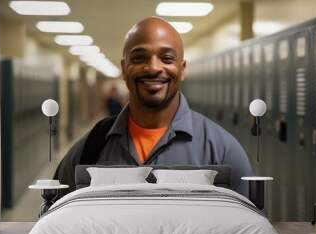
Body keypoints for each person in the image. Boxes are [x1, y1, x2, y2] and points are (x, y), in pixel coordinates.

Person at [54, 17, 253, 198]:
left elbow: (249, 231)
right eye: (140, 58)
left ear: (182, 70)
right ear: (124, 69)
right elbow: (53, 221)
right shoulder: (90, 148)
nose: (153, 67)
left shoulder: (221, 151)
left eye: (167, 58)